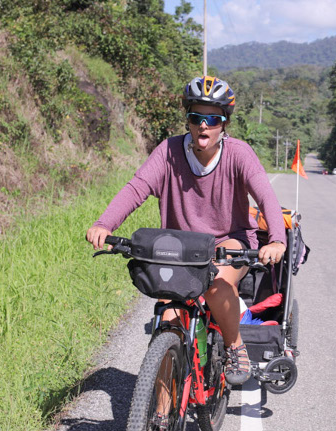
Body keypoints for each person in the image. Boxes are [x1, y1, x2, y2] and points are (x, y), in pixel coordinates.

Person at [86, 76, 286, 386]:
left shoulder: (239, 154)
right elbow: (137, 188)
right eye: (196, 118)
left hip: (228, 240)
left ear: (224, 124)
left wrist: (276, 239)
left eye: (213, 119)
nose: (203, 126)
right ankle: (161, 420)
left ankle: (234, 346)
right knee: (169, 321)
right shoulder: (168, 151)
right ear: (188, 119)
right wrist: (105, 224)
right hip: (181, 247)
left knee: (217, 285)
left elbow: (265, 195)